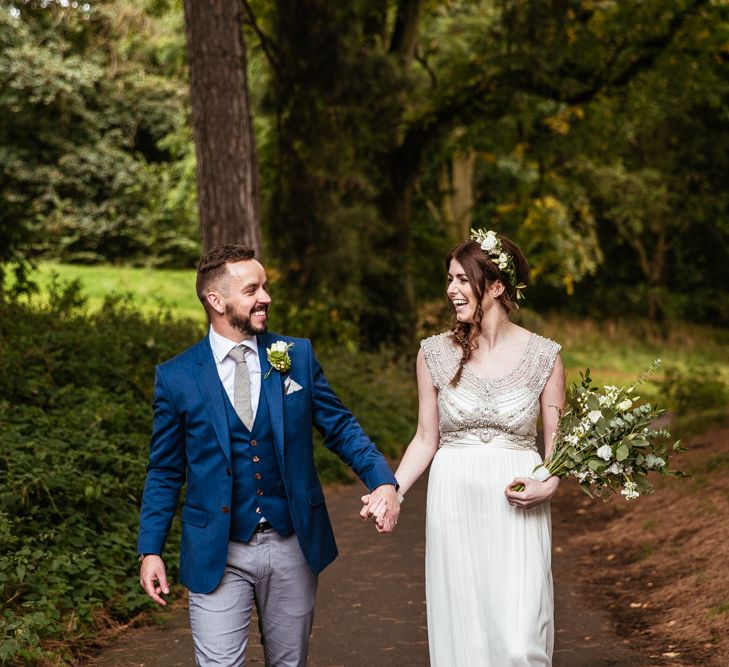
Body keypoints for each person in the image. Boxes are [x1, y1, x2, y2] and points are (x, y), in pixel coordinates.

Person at [137, 244, 400, 667]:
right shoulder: (177, 376)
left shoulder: (296, 357)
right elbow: (165, 471)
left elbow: (341, 427)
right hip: (217, 551)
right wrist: (150, 548)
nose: (266, 297)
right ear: (216, 301)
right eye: (252, 289)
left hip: (292, 542)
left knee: (289, 663)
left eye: (266, 286)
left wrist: (383, 481)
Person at [363, 230, 564, 666]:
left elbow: (557, 448)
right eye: (449, 279)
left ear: (495, 286)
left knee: (520, 640)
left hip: (517, 502)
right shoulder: (433, 353)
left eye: (461, 279)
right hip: (454, 498)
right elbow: (425, 438)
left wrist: (547, 485)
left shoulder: (545, 356)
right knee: (466, 639)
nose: (451, 290)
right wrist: (391, 490)